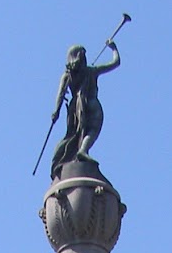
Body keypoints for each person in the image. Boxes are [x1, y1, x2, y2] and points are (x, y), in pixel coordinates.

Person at [49, 41, 121, 180]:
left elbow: (60, 94)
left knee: (71, 135)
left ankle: (71, 154)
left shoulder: (68, 75)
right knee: (93, 129)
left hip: (75, 109)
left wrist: (56, 112)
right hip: (92, 103)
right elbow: (116, 62)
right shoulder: (92, 71)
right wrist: (114, 48)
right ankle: (82, 150)